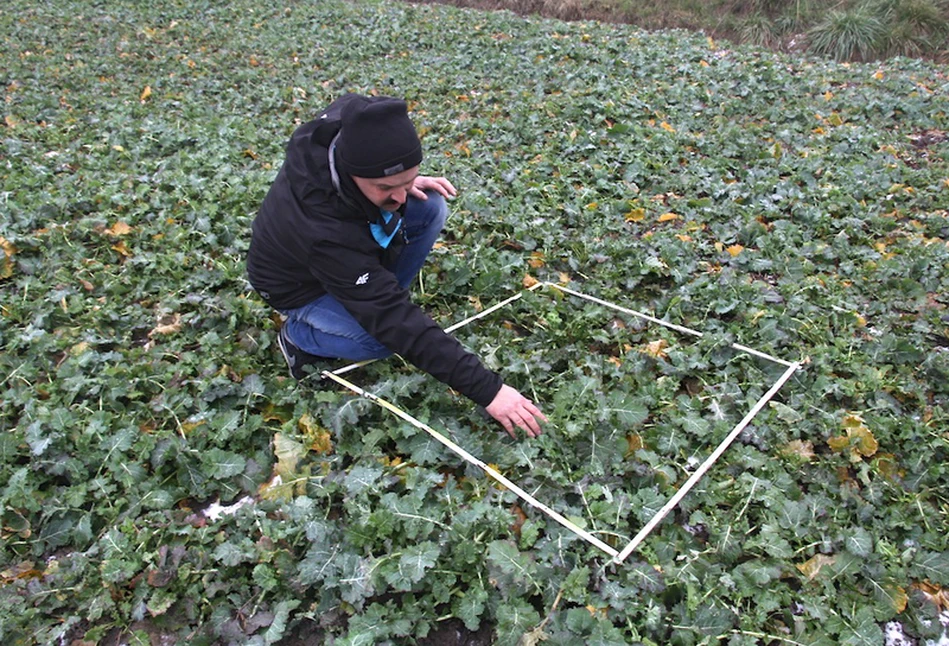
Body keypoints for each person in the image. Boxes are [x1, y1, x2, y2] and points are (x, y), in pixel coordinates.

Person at [246, 93, 546, 439]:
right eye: (386, 187)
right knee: (381, 339)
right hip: (297, 286)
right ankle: (299, 337)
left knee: (429, 206)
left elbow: (372, 125)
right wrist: (490, 392)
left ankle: (373, 292)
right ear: (351, 172)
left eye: (406, 180)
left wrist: (400, 181)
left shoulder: (356, 124)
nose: (400, 197)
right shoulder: (322, 230)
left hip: (341, 252)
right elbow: (392, 321)